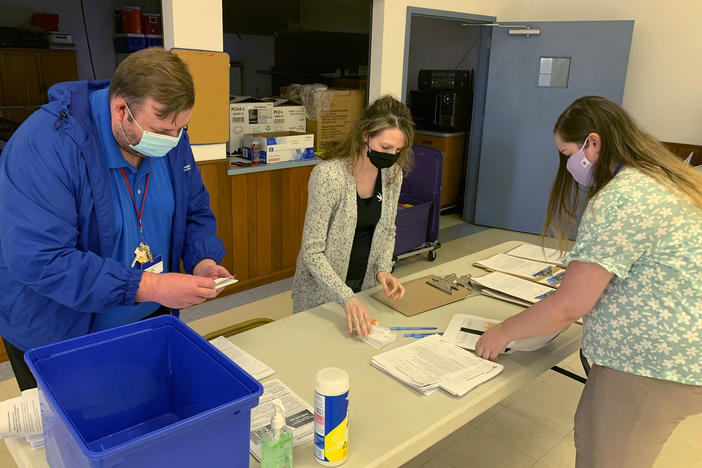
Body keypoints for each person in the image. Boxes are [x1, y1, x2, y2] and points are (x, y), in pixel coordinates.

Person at [475, 96, 702, 467]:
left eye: (567, 153)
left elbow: (570, 305)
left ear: (592, 144)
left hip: (651, 364)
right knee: (592, 434)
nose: (567, 166)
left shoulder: (624, 197)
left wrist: (503, 331)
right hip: (674, 353)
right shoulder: (663, 178)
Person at [0, 48, 233, 390]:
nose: (174, 141)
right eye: (162, 130)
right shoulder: (46, 145)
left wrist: (202, 260)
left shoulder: (168, 137)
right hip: (62, 333)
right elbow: (42, 260)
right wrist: (150, 285)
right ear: (120, 108)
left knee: (142, 413)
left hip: (146, 318)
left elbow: (194, 210)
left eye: (181, 129)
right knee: (75, 432)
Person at [292, 95, 414, 337]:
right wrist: (345, 296)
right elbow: (312, 251)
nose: (391, 156)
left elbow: (388, 229)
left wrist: (383, 269)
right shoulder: (329, 176)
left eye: (397, 150)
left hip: (364, 291)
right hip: (323, 295)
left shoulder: (392, 175)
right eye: (385, 148)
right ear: (365, 135)